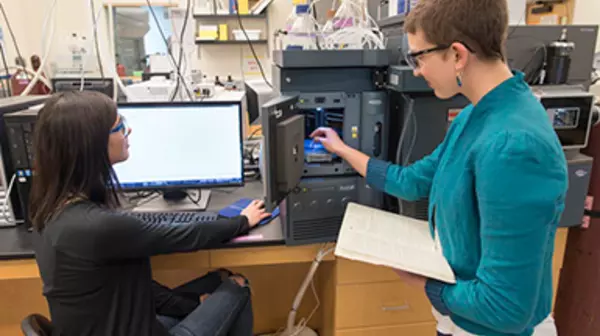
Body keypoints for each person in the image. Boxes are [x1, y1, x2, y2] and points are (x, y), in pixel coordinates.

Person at [311, 0, 568, 335]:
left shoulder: (514, 145)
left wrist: (426, 284)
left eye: (419, 57)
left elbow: (505, 307)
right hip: (459, 319)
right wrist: (343, 150)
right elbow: (411, 181)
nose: (416, 70)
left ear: (458, 55)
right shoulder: (473, 117)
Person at [30, 91, 270, 336]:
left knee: (219, 279)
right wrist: (242, 221)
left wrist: (192, 305)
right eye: (120, 126)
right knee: (236, 285)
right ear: (92, 144)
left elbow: (131, 288)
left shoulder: (50, 212)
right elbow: (185, 234)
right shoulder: (99, 227)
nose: (128, 131)